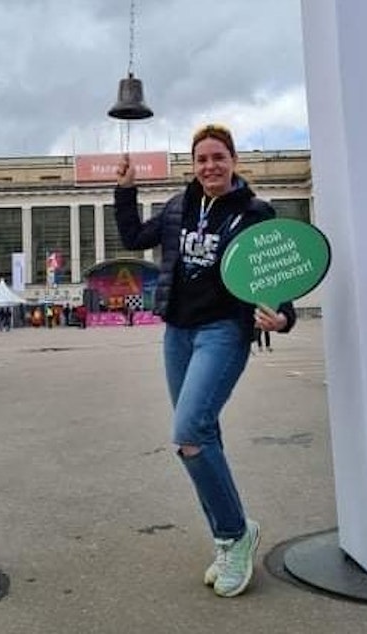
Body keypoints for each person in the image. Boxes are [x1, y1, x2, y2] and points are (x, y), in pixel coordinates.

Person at [113, 123, 296, 598]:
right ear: (192, 166)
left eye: (218, 157)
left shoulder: (257, 213)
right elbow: (133, 237)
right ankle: (231, 536)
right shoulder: (179, 206)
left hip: (223, 331)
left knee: (189, 431)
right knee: (199, 436)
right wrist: (125, 190)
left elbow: (273, 272)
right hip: (178, 330)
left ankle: (234, 536)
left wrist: (284, 317)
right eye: (201, 159)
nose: (210, 166)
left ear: (234, 161)